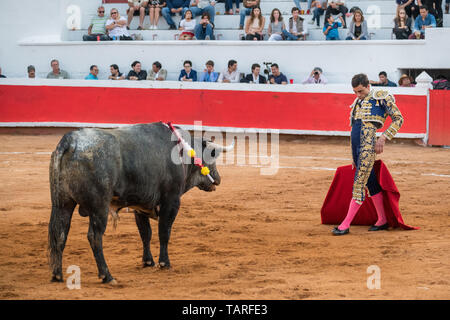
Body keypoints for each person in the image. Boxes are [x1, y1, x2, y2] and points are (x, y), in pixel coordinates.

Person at [332, 73, 404, 236]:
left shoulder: (381, 96)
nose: (358, 95)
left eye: (361, 91)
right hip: (356, 144)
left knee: (359, 182)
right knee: (370, 181)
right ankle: (382, 219)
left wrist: (384, 137)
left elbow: (398, 119)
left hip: (367, 143)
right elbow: (355, 128)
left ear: (368, 86)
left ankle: (345, 224)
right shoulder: (358, 101)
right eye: (355, 92)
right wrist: (353, 156)